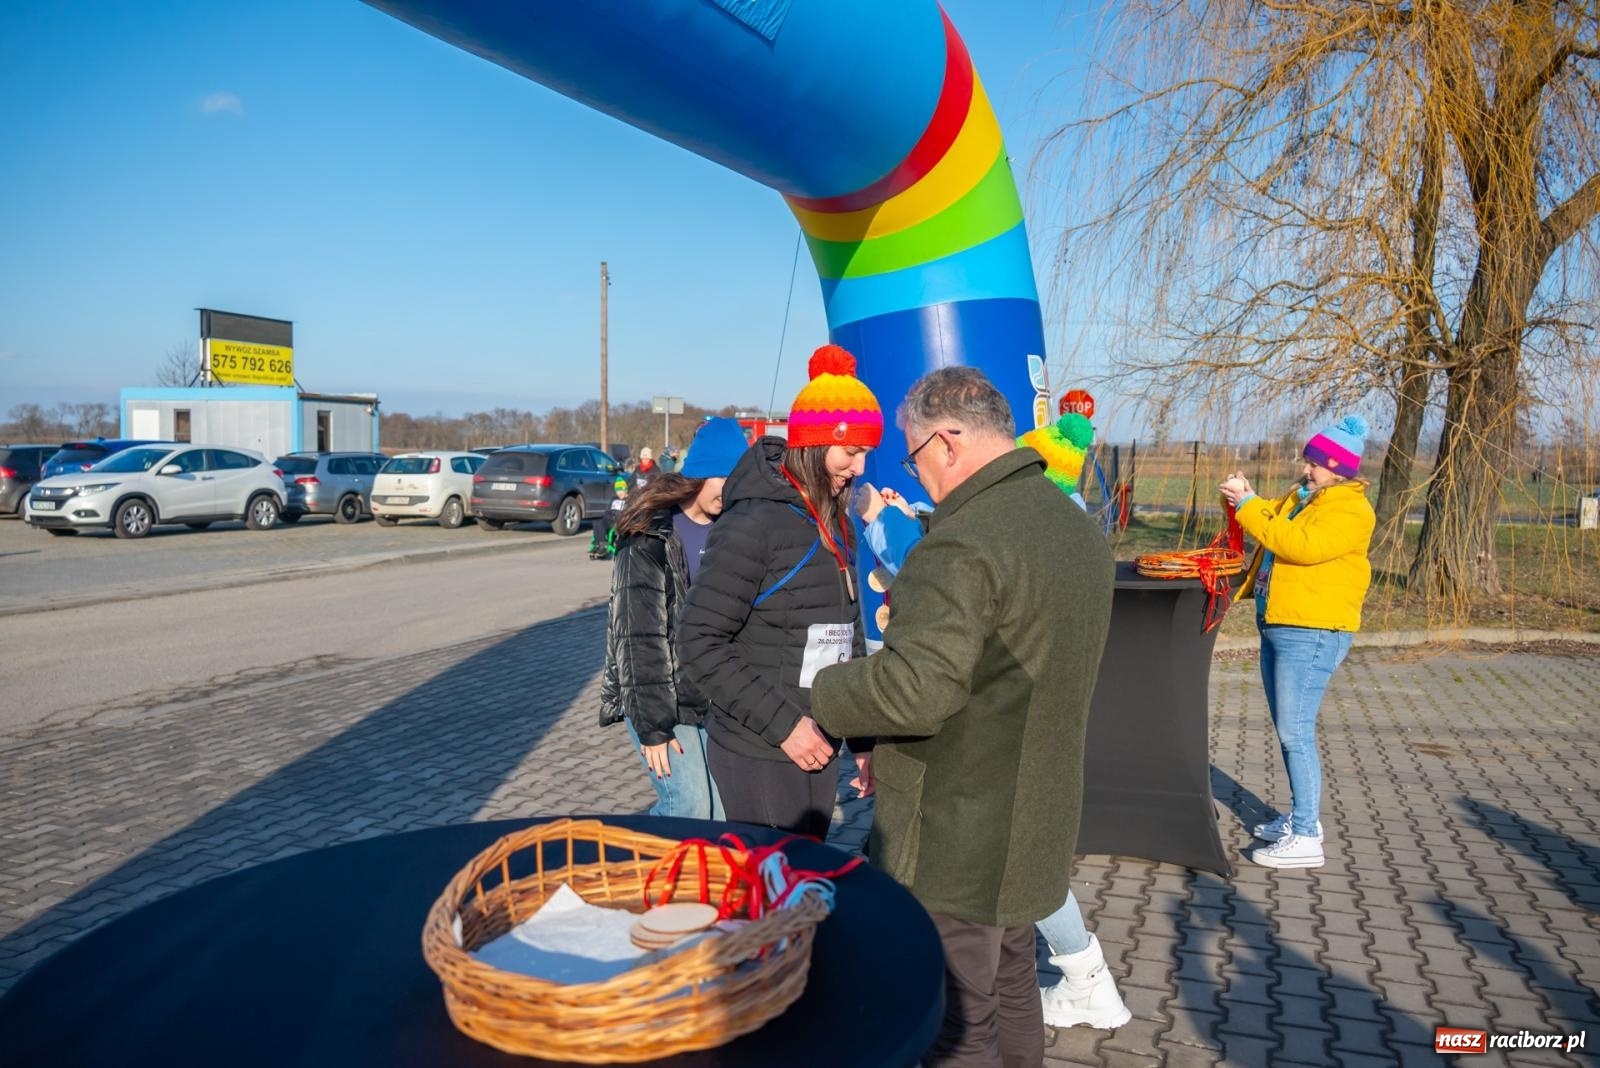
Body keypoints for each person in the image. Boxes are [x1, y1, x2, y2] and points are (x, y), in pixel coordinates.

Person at [809, 366, 1115, 1067]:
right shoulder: (1074, 527)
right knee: (1012, 985)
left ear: (947, 440)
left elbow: (918, 690)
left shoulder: (962, 541)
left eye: (915, 457)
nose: (918, 479)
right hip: (1033, 814)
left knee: (956, 1022)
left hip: (959, 828)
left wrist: (829, 691)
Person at [677, 345, 881, 839]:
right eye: (851, 452)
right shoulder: (753, 522)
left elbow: (847, 628)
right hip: (761, 747)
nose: (859, 468)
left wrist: (860, 736)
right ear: (814, 444)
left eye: (865, 455)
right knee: (772, 889)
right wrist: (786, 727)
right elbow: (699, 643)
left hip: (819, 739)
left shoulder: (835, 519)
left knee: (801, 880)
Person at [1219, 415, 1374, 870]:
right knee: (1289, 730)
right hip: (1282, 623)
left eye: (1314, 463)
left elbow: (1298, 545)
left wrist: (1249, 506)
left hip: (1313, 630)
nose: (1306, 469)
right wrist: (1244, 498)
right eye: (1307, 461)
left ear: (1338, 468)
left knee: (1295, 732)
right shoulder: (1304, 496)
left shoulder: (1350, 509)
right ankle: (1300, 817)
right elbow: (1270, 518)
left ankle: (1307, 834)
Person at [597, 417, 751, 819]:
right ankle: (631, 862)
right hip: (660, 695)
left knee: (723, 814)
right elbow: (636, 638)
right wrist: (653, 726)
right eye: (724, 478)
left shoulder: (733, 531)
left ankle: (695, 881)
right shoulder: (650, 536)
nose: (730, 491)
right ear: (700, 475)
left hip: (712, 697)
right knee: (689, 806)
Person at [588, 477, 629, 560]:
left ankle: (603, 545)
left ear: (625, 490)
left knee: (603, 524)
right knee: (597, 521)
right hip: (610, 519)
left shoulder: (628, 500)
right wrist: (606, 515)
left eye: (621, 490)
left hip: (619, 522)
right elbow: (608, 511)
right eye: (617, 491)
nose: (619, 493)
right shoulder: (614, 499)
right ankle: (598, 543)